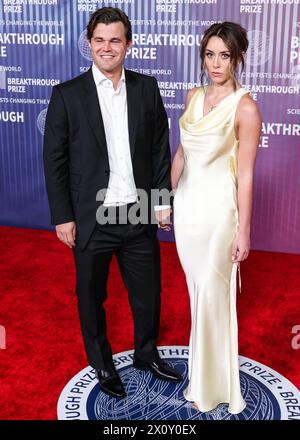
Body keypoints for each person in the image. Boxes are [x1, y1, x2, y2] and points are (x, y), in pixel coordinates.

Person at [43, 7, 181, 400]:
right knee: (91, 295)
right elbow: (54, 162)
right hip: (91, 217)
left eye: (115, 40)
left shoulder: (146, 87)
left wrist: (160, 202)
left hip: (137, 213)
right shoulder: (67, 95)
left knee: (148, 293)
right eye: (100, 40)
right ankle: (101, 362)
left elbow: (158, 150)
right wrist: (63, 217)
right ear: (89, 44)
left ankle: (146, 353)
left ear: (129, 44)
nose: (107, 47)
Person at [171, 22, 262, 413]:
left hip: (220, 215)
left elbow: (245, 175)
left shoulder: (246, 107)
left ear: (238, 57)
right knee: (197, 297)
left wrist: (244, 230)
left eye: (224, 55)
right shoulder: (192, 96)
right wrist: (161, 200)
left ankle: (217, 388)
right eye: (209, 54)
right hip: (187, 212)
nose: (215, 63)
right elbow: (180, 155)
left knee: (214, 296)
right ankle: (202, 381)